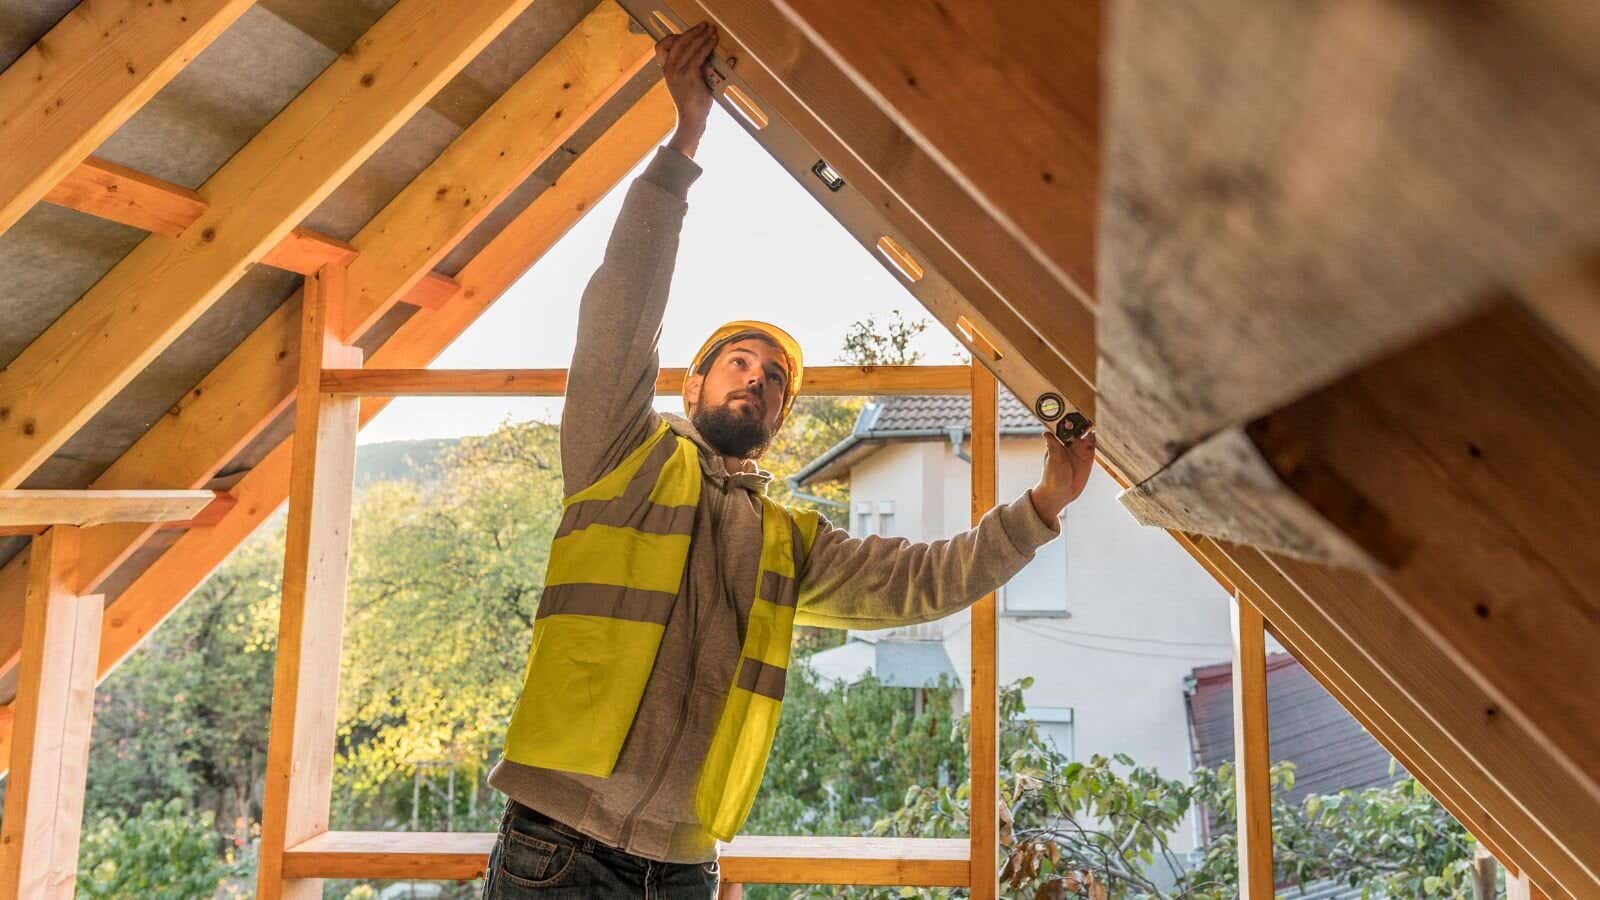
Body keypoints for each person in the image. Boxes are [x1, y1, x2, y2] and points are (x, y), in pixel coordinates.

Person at [480, 21, 1097, 899]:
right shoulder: (619, 452)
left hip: (686, 869)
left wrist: (1040, 509)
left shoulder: (784, 541)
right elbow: (620, 308)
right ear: (690, 383)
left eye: (774, 380)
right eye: (738, 362)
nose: (758, 381)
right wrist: (683, 144)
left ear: (777, 418)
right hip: (559, 850)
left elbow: (920, 580)